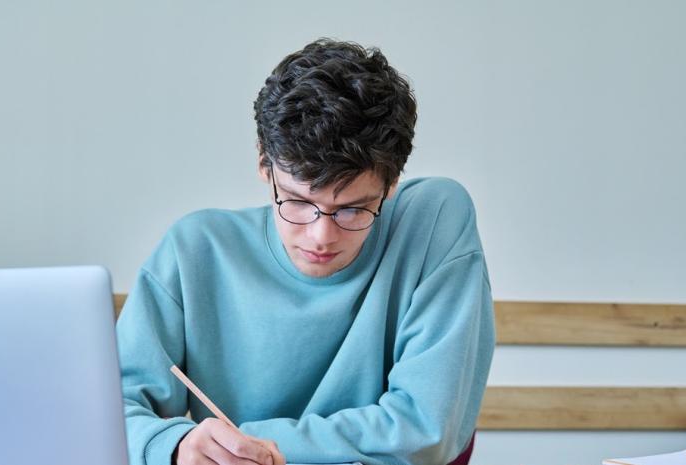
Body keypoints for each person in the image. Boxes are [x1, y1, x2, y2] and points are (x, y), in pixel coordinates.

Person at [116, 38, 495, 465]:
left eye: (352, 208)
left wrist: (249, 442)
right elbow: (115, 411)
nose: (321, 236)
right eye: (296, 201)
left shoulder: (434, 219)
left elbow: (427, 430)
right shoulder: (195, 249)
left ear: (391, 184)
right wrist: (176, 446)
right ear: (264, 164)